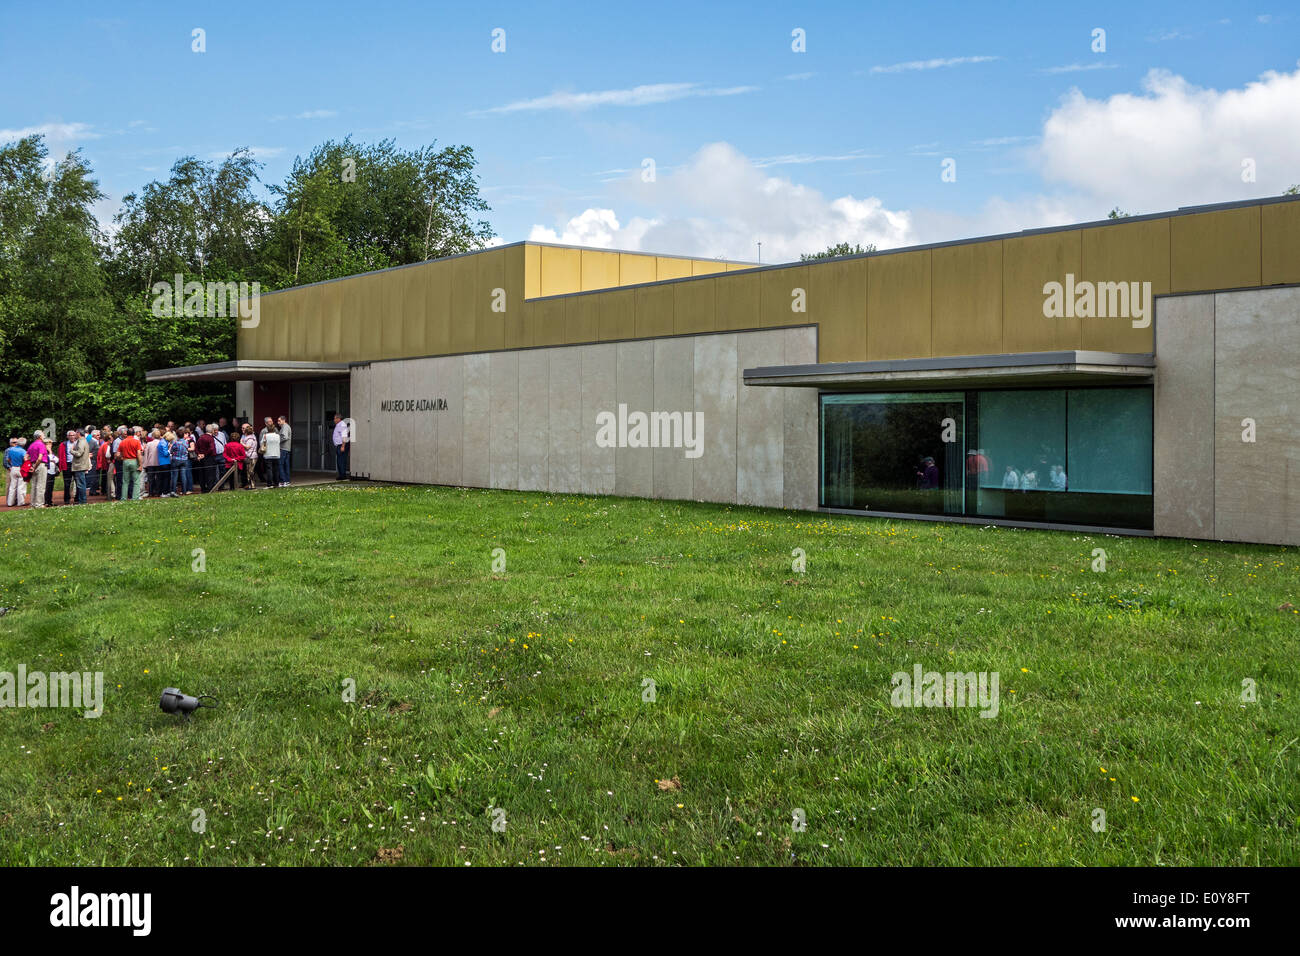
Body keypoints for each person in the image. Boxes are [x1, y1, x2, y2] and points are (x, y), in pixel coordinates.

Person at [117, 428, 142, 500]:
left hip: (125, 461)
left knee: (125, 481)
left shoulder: (122, 442)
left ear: (127, 434)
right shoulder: (136, 441)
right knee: (136, 481)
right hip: (134, 460)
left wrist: (123, 457)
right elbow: (139, 454)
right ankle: (135, 497)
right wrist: (140, 464)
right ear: (134, 434)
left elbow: (118, 454)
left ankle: (124, 498)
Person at [27, 429, 49, 508]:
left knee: (34, 485)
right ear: (40, 436)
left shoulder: (31, 445)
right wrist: (35, 466)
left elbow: (26, 457)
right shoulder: (41, 445)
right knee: (41, 485)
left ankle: (33, 503)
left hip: (33, 464)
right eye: (43, 435)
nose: (44, 436)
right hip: (40, 465)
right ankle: (39, 504)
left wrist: (31, 466)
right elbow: (40, 458)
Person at [68, 430, 91, 504]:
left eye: (76, 433)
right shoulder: (83, 441)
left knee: (81, 484)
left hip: (79, 466)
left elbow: (79, 453)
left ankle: (83, 501)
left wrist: (71, 451)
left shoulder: (81, 442)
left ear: (79, 433)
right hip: (82, 465)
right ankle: (82, 500)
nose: (75, 435)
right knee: (81, 484)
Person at [5, 438, 27, 507]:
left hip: (13, 468)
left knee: (12, 486)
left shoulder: (11, 450)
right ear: (23, 444)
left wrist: (12, 463)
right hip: (20, 468)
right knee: (21, 486)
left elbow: (8, 459)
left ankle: (10, 502)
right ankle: (20, 502)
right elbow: (25, 460)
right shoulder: (23, 451)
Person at [194, 425, 216, 492]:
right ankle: (210, 488)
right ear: (212, 430)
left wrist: (199, 454)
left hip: (201, 458)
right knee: (210, 474)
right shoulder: (210, 438)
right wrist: (204, 454)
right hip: (209, 458)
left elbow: (196, 447)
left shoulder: (201, 437)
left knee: (202, 474)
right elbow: (211, 448)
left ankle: (203, 488)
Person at [261, 422, 281, 487]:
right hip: (276, 454)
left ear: (268, 429)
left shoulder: (265, 436)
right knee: (276, 470)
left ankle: (269, 483)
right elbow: (279, 443)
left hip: (268, 454)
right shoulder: (278, 436)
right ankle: (276, 483)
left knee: (269, 470)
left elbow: (262, 444)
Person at [96, 430, 115, 500]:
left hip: (105, 464)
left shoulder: (104, 444)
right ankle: (111, 493)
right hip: (107, 464)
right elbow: (106, 455)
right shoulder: (106, 445)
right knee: (109, 479)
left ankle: (108, 492)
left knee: (107, 479)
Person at [332, 413, 350, 480]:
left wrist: (343, 446)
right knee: (339, 460)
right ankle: (341, 475)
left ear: (338, 419)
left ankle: (343, 475)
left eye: (335, 418)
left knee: (341, 460)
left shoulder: (342, 425)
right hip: (339, 445)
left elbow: (344, 436)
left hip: (342, 445)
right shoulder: (338, 425)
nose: (334, 420)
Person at [240, 423, 258, 489]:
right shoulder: (252, 437)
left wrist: (241, 443)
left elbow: (247, 447)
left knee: (250, 472)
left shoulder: (250, 438)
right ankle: (250, 485)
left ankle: (251, 485)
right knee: (250, 471)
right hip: (251, 456)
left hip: (251, 457)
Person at [276, 415, 292, 486]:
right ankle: (287, 481)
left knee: (280, 464)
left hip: (283, 448)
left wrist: (277, 441)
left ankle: (283, 481)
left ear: (283, 420)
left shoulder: (285, 427)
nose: (278, 422)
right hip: (287, 448)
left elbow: (285, 437)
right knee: (286, 465)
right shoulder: (286, 426)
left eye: (279, 421)